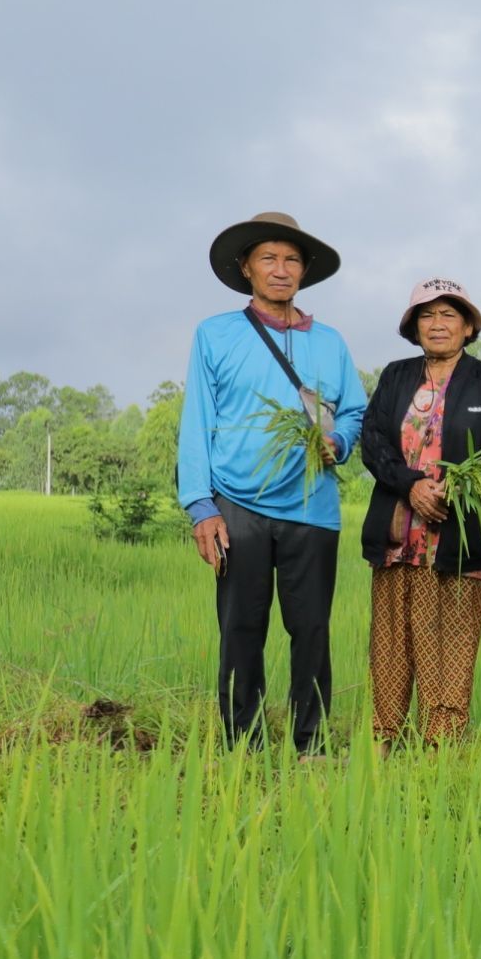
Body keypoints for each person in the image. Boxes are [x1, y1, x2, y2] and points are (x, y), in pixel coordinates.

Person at [178, 211, 369, 754]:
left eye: (291, 259)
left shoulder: (330, 343)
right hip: (236, 504)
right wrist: (201, 506)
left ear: (304, 271)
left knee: (311, 632)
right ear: (246, 268)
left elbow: (354, 411)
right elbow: (196, 420)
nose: (280, 269)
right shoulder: (215, 335)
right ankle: (245, 743)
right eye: (268, 258)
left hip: (313, 506)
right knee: (241, 630)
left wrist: (339, 442)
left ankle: (310, 743)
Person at [357, 279, 481, 746]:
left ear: (467, 327)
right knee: (390, 642)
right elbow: (374, 442)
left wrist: (454, 486)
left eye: (449, 315)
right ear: (414, 326)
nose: (437, 324)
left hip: (457, 538)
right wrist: (412, 485)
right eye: (427, 315)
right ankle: (386, 737)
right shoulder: (396, 376)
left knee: (453, 642)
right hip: (397, 537)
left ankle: (442, 743)